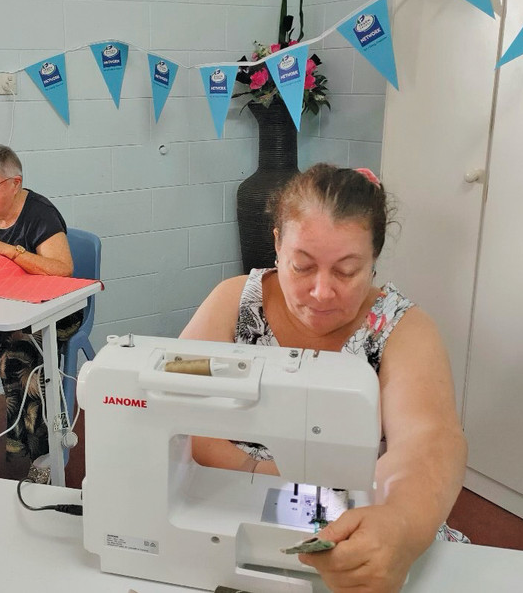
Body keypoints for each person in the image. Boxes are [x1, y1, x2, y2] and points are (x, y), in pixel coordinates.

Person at [181, 164, 467, 593]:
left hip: (367, 521)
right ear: (277, 246)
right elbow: (179, 407)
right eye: (302, 266)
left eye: (346, 271)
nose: (321, 292)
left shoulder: (401, 328)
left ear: (374, 261)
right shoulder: (232, 301)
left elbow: (430, 442)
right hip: (227, 506)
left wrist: (403, 522)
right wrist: (274, 480)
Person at [0, 144, 80, 463]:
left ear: (15, 183)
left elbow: (62, 269)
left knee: (17, 354)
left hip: (54, 311)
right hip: (5, 305)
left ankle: (39, 453)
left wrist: (6, 249)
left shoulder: (40, 213)